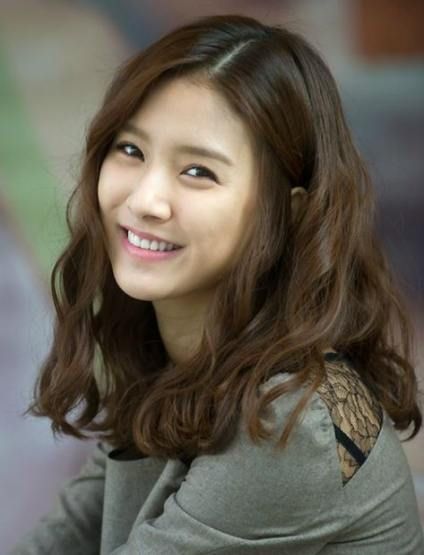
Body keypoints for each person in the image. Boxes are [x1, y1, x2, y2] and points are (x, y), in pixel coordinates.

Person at [10, 13, 424, 555]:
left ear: (289, 211)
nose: (145, 200)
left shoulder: (291, 423)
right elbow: (67, 535)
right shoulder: (176, 359)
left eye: (198, 172)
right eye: (131, 150)